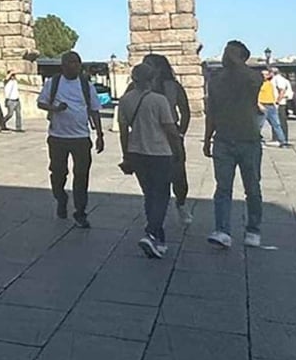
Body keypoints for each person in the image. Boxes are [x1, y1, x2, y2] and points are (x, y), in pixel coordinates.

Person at [118, 62, 184, 258]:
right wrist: (178, 149)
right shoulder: (159, 100)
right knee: (162, 194)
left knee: (149, 194)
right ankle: (151, 232)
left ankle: (158, 238)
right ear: (152, 79)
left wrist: (126, 154)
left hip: (136, 152)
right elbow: (170, 130)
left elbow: (123, 131)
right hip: (159, 152)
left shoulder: (125, 100)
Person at [205, 40, 265, 249]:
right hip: (222, 141)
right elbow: (211, 111)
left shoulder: (252, 77)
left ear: (242, 57)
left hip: (249, 140)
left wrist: (238, 64)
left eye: (231, 53)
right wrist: (206, 138)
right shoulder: (215, 80)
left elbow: (256, 84)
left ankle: (253, 229)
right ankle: (222, 231)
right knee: (222, 188)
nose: (225, 56)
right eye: (225, 52)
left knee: (252, 187)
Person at [37, 51, 105, 228]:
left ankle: (80, 212)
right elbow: (41, 102)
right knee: (58, 173)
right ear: (63, 65)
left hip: (81, 138)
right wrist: (55, 108)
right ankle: (61, 198)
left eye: (77, 62)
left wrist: (99, 134)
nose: (75, 66)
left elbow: (95, 110)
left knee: (81, 176)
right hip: (58, 137)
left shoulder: (86, 85)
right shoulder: (53, 83)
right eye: (71, 62)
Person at [146, 53, 193, 226]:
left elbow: (185, 111)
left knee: (178, 174)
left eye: (149, 64)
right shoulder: (137, 87)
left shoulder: (173, 87)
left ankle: (180, 202)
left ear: (159, 68)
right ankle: (155, 215)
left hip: (171, 134)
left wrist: (181, 132)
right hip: (148, 135)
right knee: (152, 178)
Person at [257, 66, 289, 147]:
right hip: (263, 105)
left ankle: (283, 141)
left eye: (266, 74)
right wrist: (259, 104)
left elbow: (281, 89)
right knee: (259, 125)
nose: (265, 76)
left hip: (271, 105)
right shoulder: (258, 84)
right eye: (263, 74)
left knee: (277, 124)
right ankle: (258, 141)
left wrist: (277, 101)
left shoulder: (271, 82)